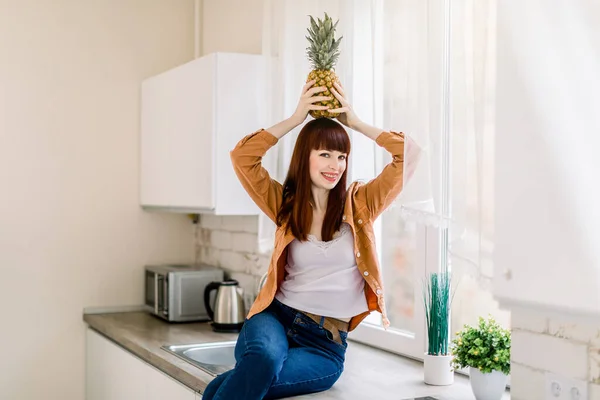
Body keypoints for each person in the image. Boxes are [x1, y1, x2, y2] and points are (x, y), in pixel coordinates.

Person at [202, 80, 420, 400]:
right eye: (325, 154)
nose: (335, 165)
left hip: (324, 346)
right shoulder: (284, 204)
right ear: (306, 156)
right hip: (275, 319)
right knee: (260, 362)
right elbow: (242, 156)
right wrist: (295, 119)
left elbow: (410, 154)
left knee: (233, 383)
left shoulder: (362, 203)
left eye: (342, 156)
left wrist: (356, 123)